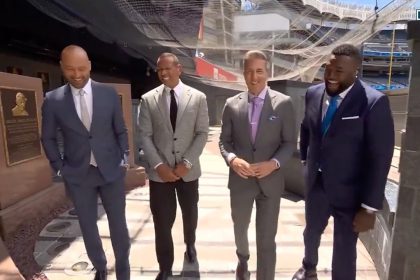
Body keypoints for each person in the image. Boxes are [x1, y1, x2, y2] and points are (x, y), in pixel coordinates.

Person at [292, 44, 394, 280]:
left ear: (355, 71)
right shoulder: (313, 92)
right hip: (316, 184)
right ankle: (308, 268)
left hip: (351, 192)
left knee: (345, 249)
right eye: (328, 68)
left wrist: (369, 207)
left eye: (339, 71)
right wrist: (306, 159)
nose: (331, 76)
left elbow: (380, 156)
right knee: (311, 233)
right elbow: (306, 127)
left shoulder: (373, 102)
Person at [41, 45, 131, 280]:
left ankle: (123, 267)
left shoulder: (108, 94)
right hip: (78, 174)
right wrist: (59, 166)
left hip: (111, 170)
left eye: (81, 68)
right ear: (61, 67)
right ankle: (99, 266)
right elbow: (48, 137)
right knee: (88, 225)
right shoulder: (53, 100)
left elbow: (120, 130)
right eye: (70, 69)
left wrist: (125, 156)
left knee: (118, 223)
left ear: (90, 65)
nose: (77, 74)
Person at [219, 50, 296, 280]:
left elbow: (290, 142)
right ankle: (242, 258)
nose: (255, 77)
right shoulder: (231, 104)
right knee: (240, 229)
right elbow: (224, 141)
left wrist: (274, 163)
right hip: (241, 181)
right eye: (250, 72)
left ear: (268, 72)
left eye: (259, 71)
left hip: (270, 183)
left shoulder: (284, 104)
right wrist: (232, 159)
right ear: (243, 73)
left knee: (266, 238)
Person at [138, 52, 209, 280]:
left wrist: (187, 162)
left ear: (179, 68)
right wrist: (159, 165)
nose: (163, 73)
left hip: (188, 172)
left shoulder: (198, 98)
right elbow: (145, 136)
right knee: (162, 221)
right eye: (160, 70)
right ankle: (165, 267)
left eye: (168, 68)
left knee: (190, 213)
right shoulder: (148, 99)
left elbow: (202, 133)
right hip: (161, 175)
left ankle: (190, 244)